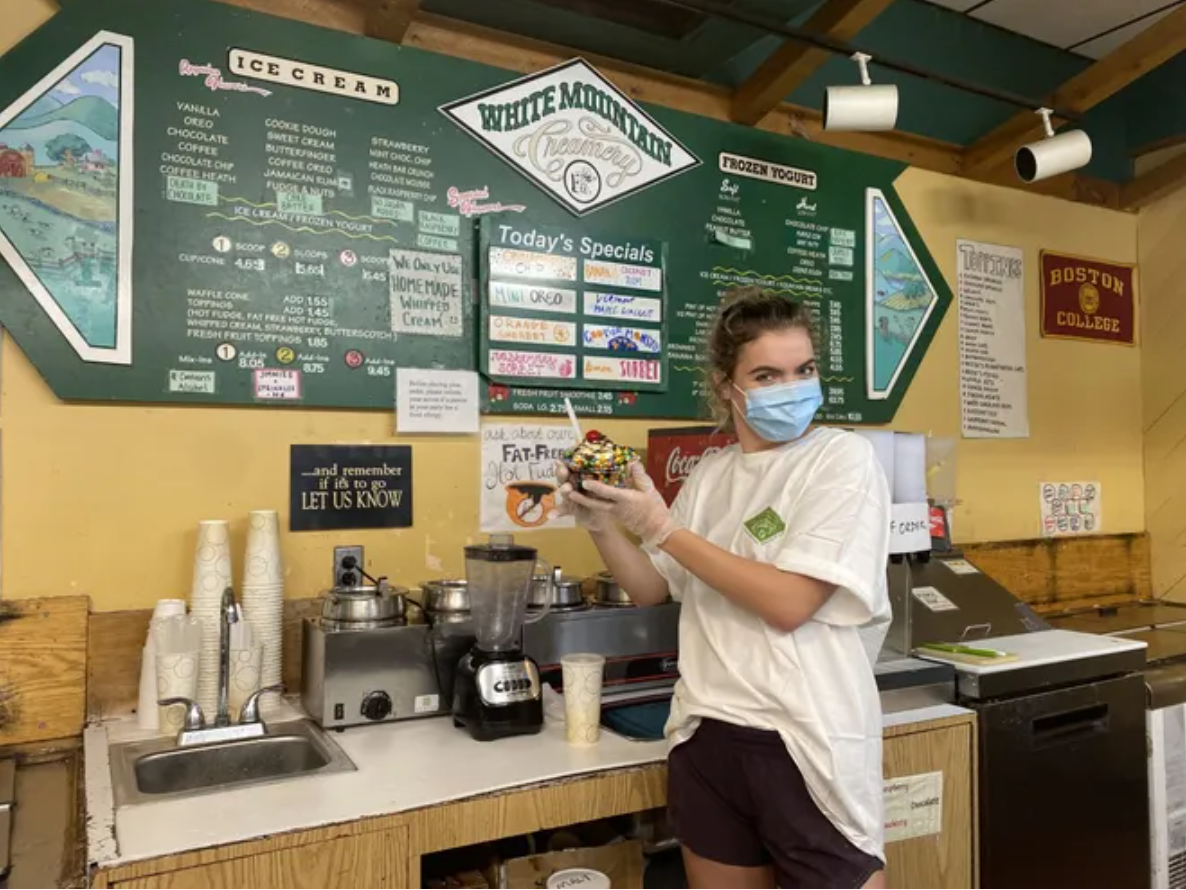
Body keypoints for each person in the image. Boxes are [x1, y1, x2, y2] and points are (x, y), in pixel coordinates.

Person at [555, 285, 891, 890]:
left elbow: (790, 602)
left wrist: (662, 526)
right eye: (767, 375)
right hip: (707, 733)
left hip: (805, 739)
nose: (792, 386)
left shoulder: (841, 460)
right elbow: (653, 587)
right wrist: (601, 524)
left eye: (804, 370)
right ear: (725, 387)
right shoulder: (711, 474)